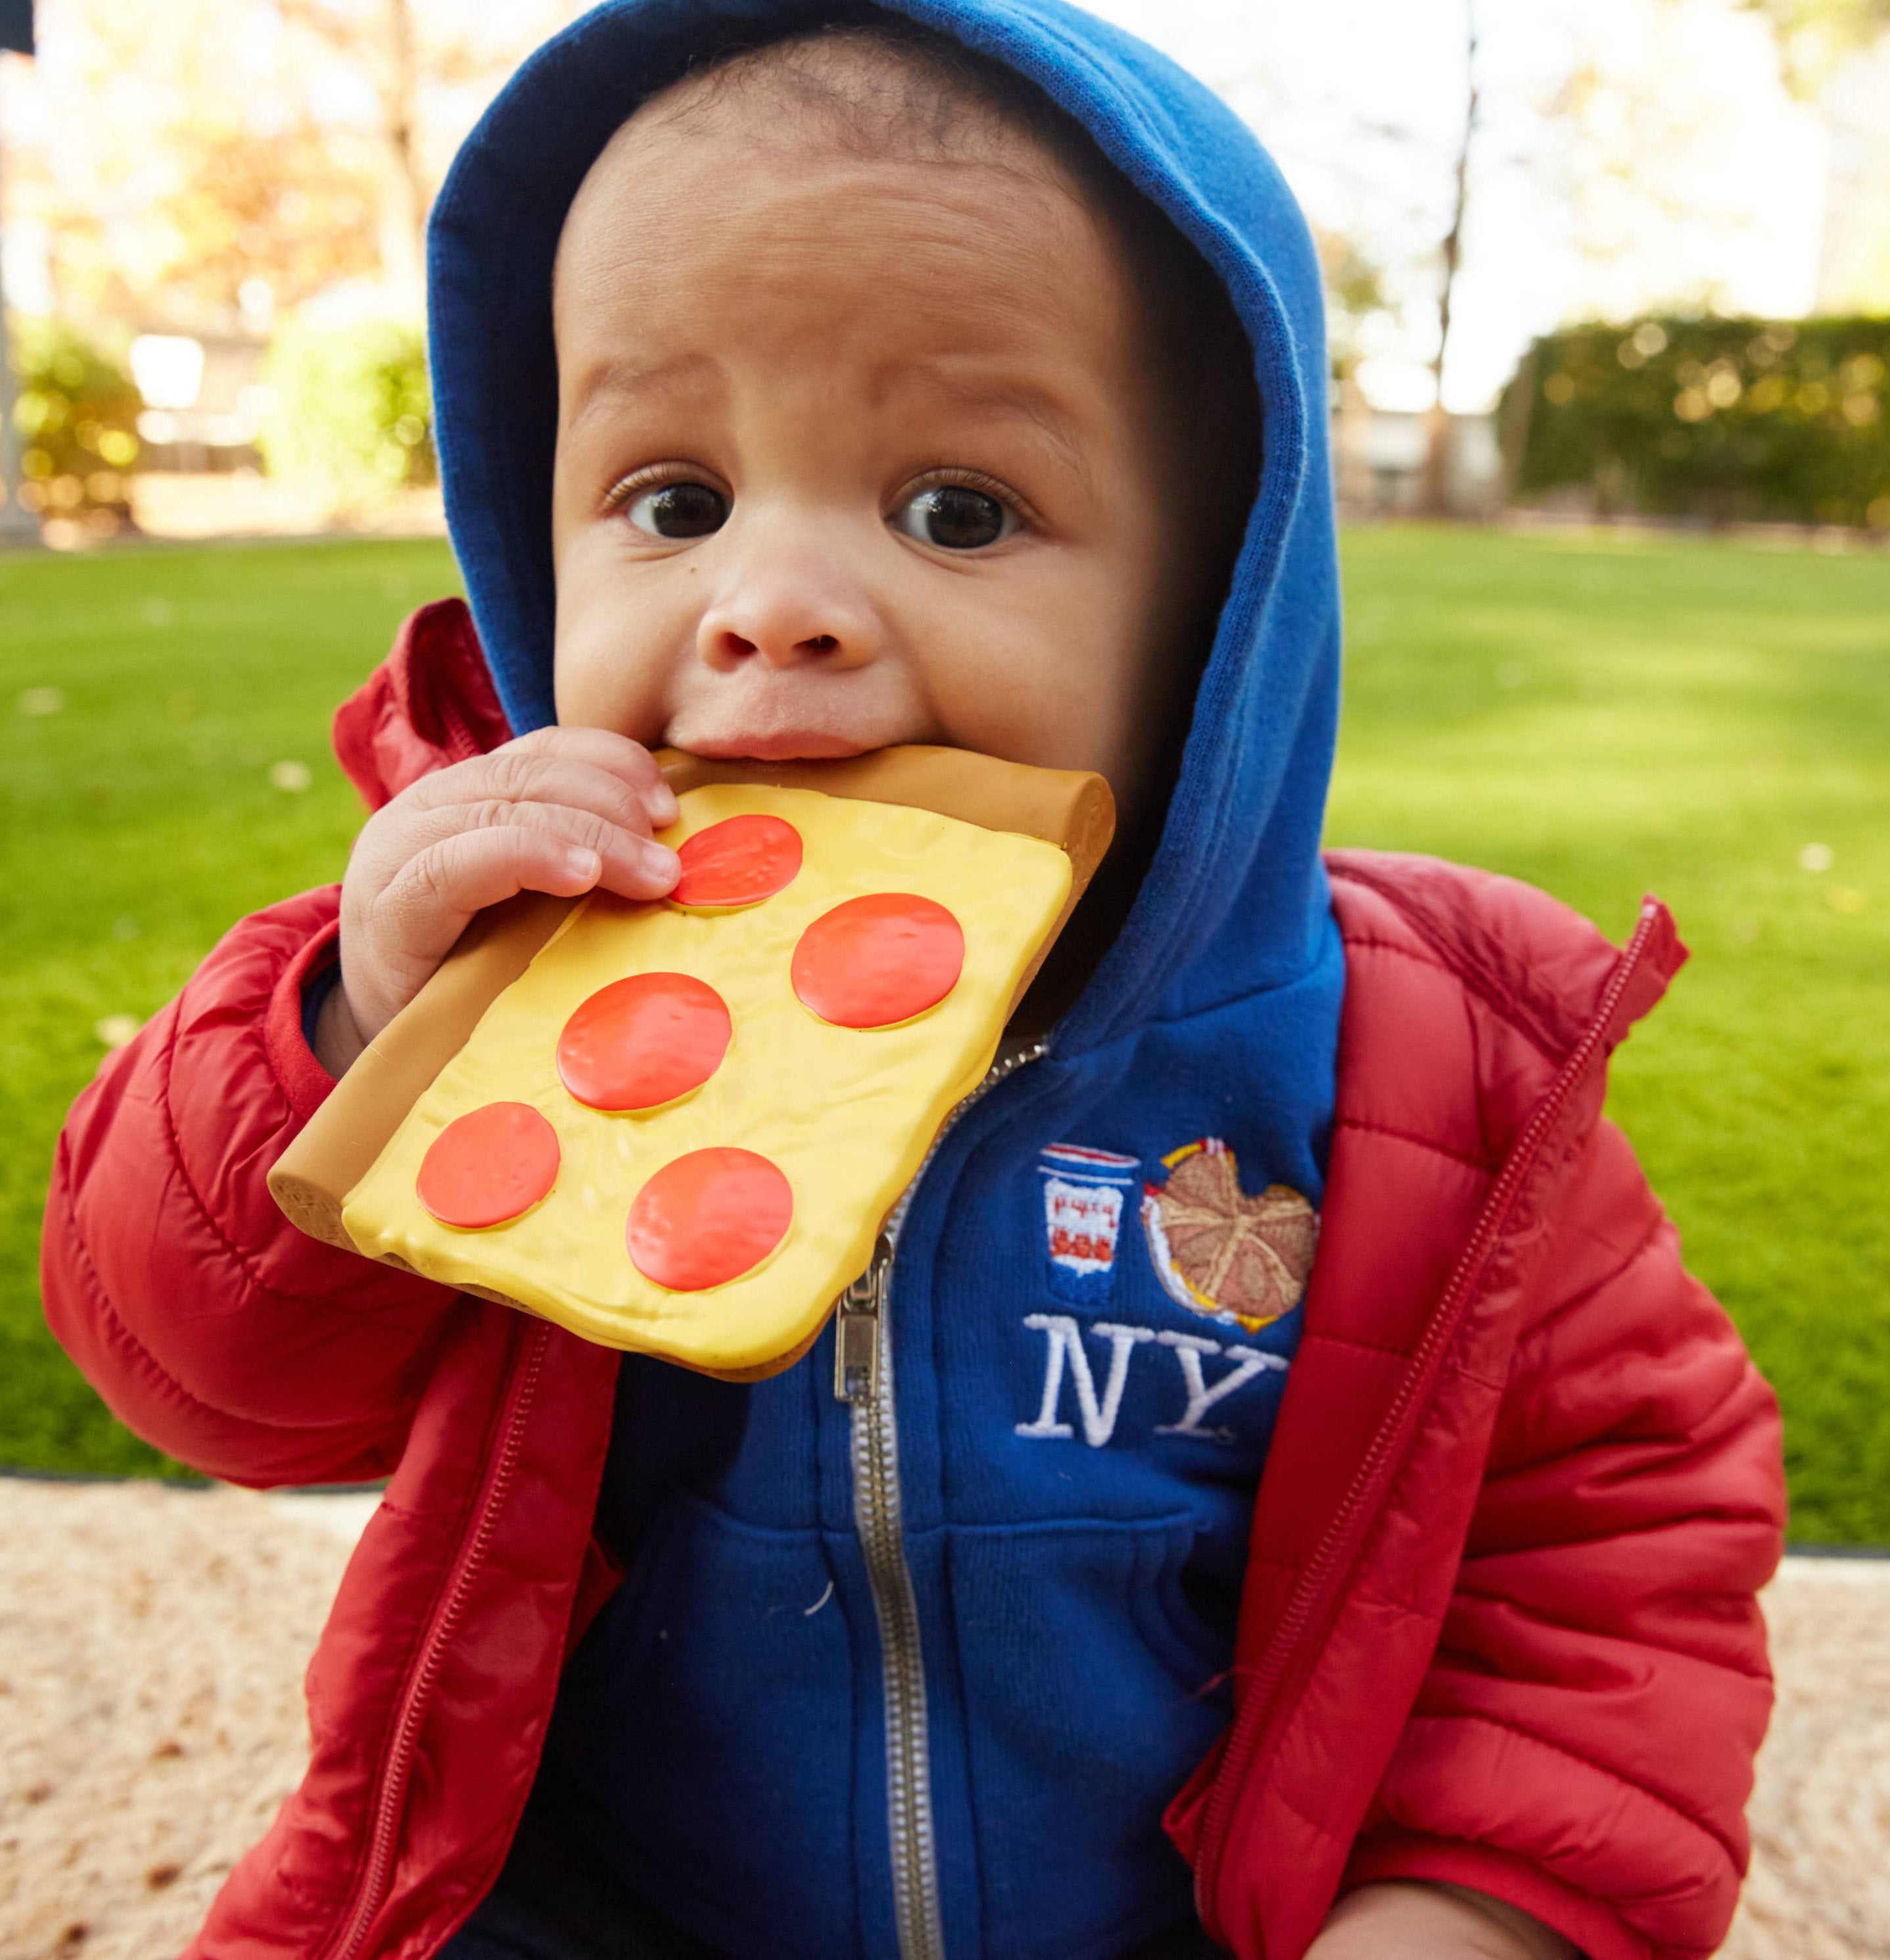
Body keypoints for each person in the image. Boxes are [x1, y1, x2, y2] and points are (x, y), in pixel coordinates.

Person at [41, 5, 1785, 1958]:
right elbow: (209, 1384)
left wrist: (1473, 1909)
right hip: (600, 1903)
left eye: (958, 509)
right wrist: (353, 1036)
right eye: (672, 499)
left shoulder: (1437, 1076)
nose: (765, 603)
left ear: (1222, 607)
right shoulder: (511, 986)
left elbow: (1609, 1563)